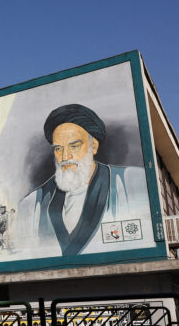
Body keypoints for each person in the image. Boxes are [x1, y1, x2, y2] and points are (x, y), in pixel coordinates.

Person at [16, 104, 148, 256]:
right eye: (58, 149)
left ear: (94, 146)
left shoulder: (130, 183)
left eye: (74, 146)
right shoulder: (31, 205)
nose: (65, 157)